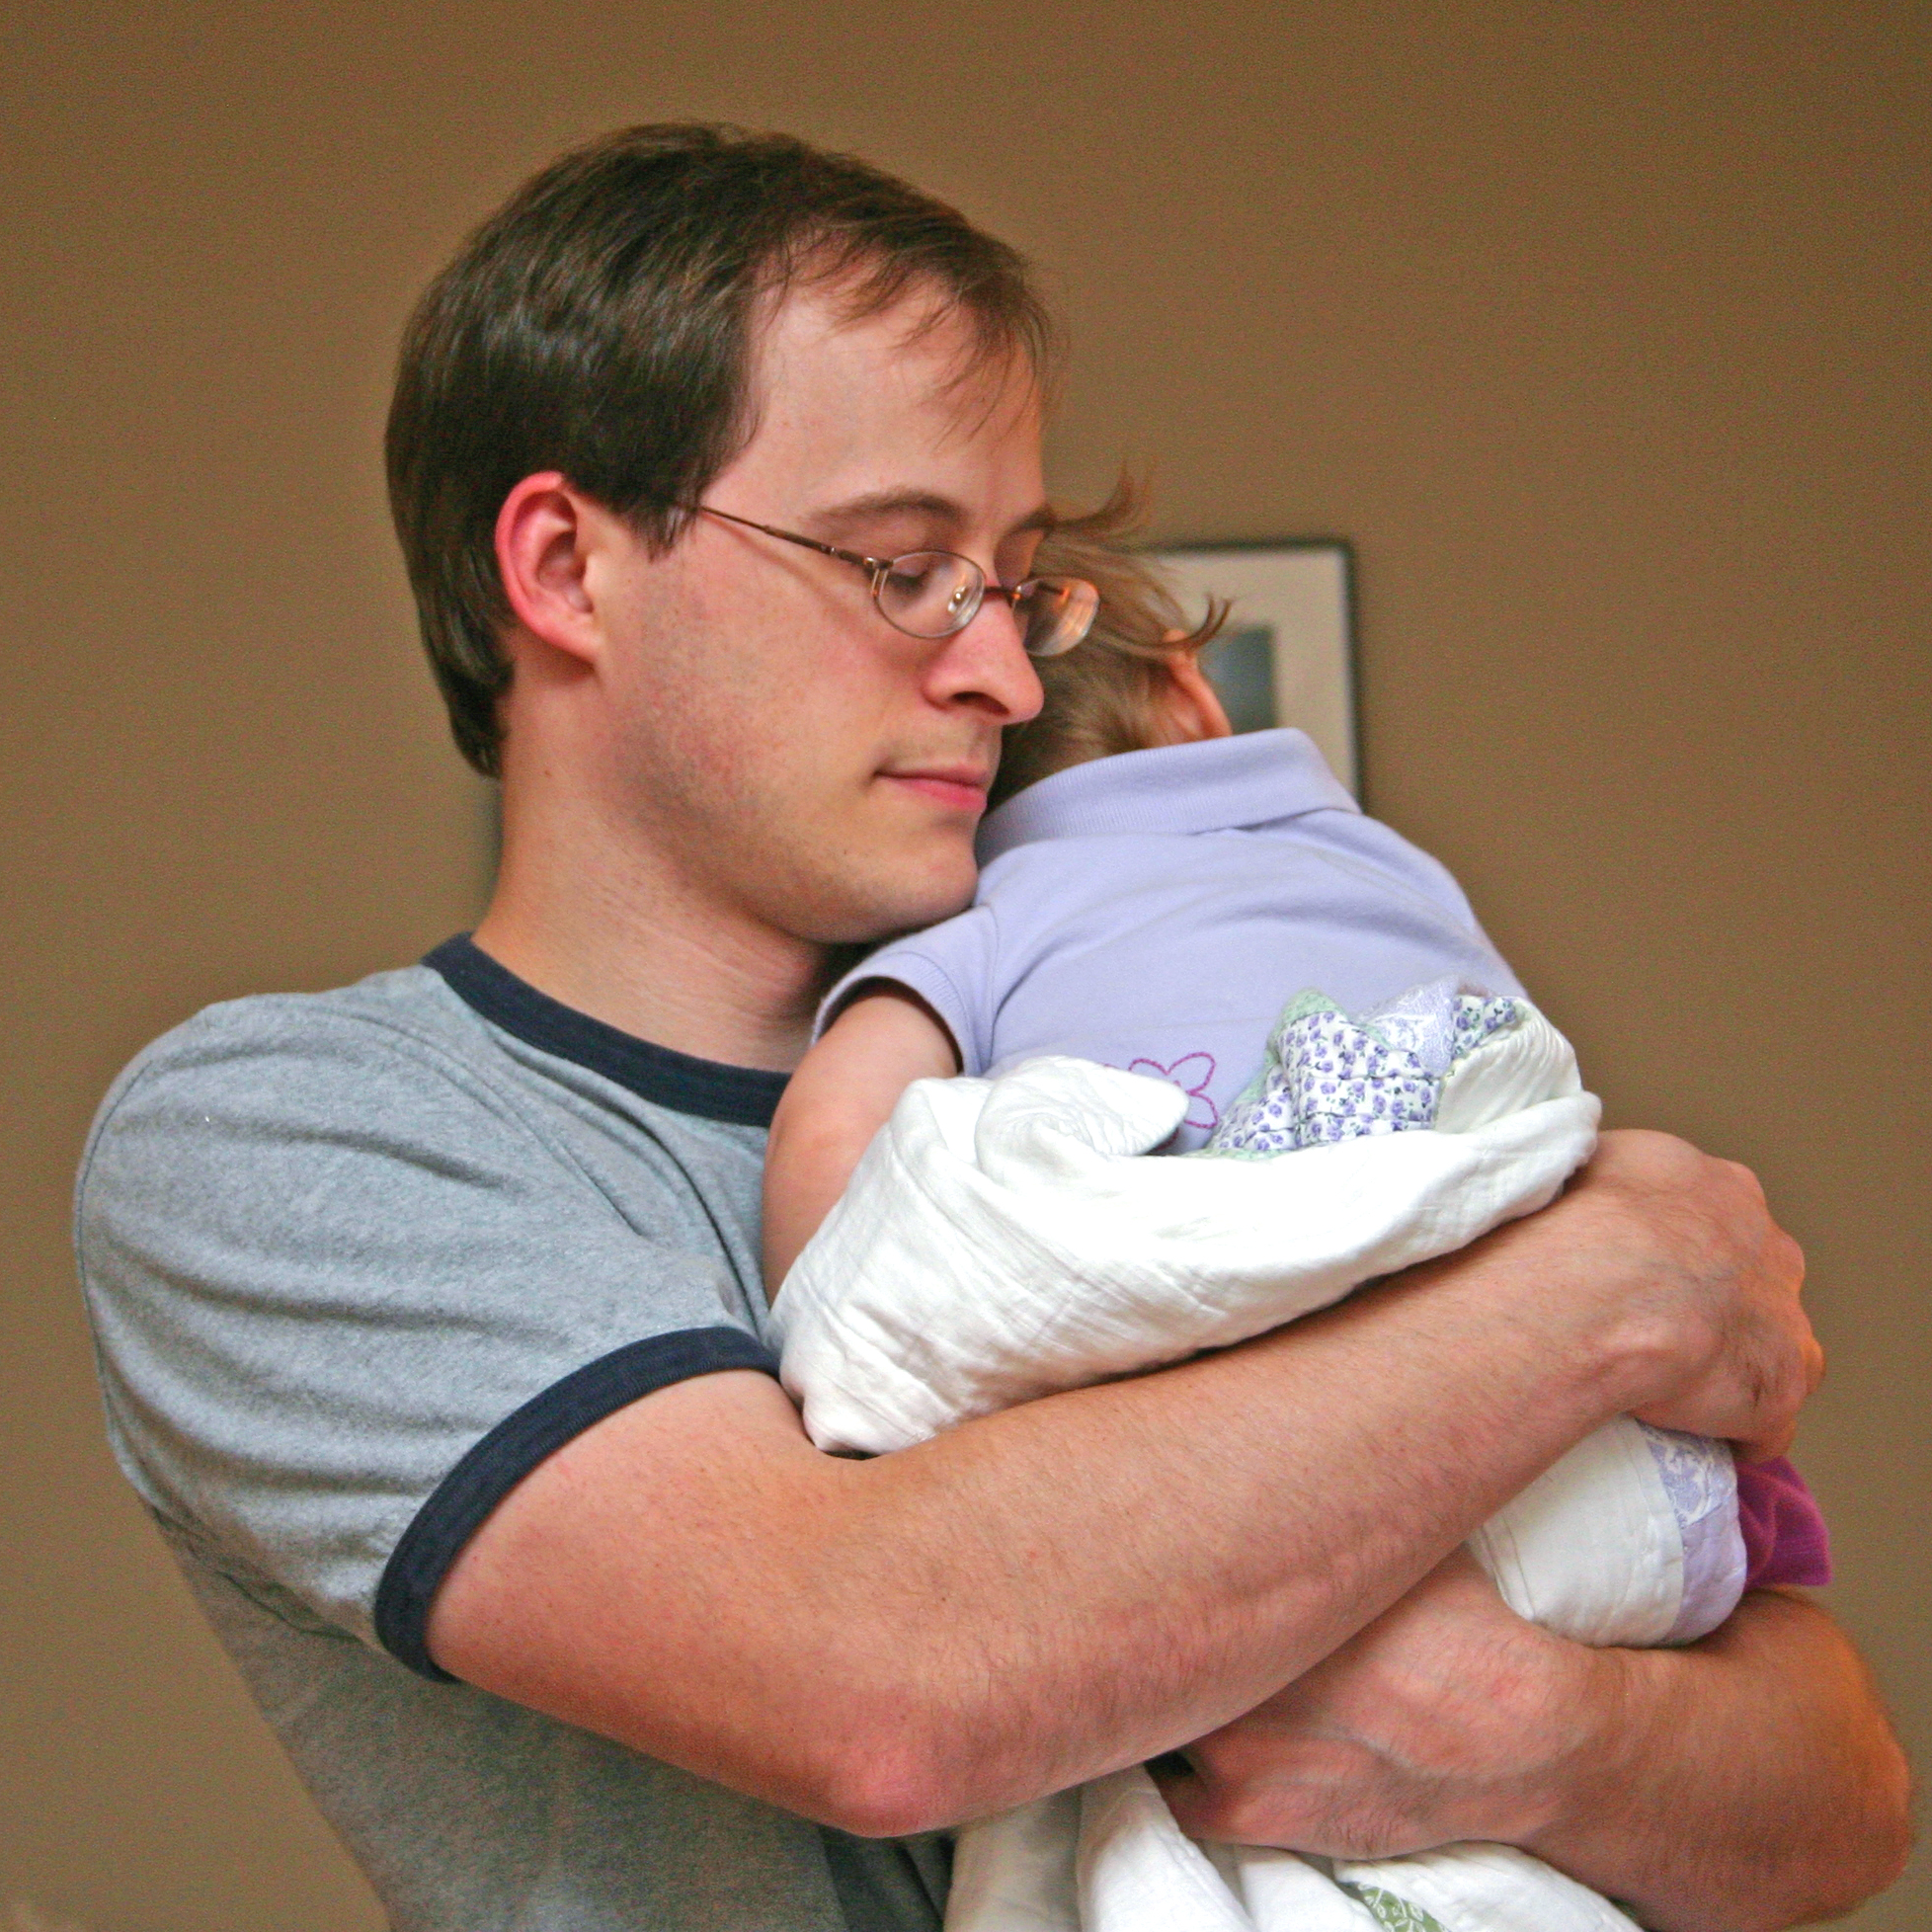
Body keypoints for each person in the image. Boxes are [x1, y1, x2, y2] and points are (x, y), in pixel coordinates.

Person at [73, 123, 1906, 1932]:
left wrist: (1529, 1732)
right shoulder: (292, 1137)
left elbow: (1843, 1803)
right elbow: (880, 1689)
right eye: (900, 566)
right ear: (565, 568)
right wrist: (1605, 1295)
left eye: (1014, 582)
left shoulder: (1143, 1030)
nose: (1007, 674)